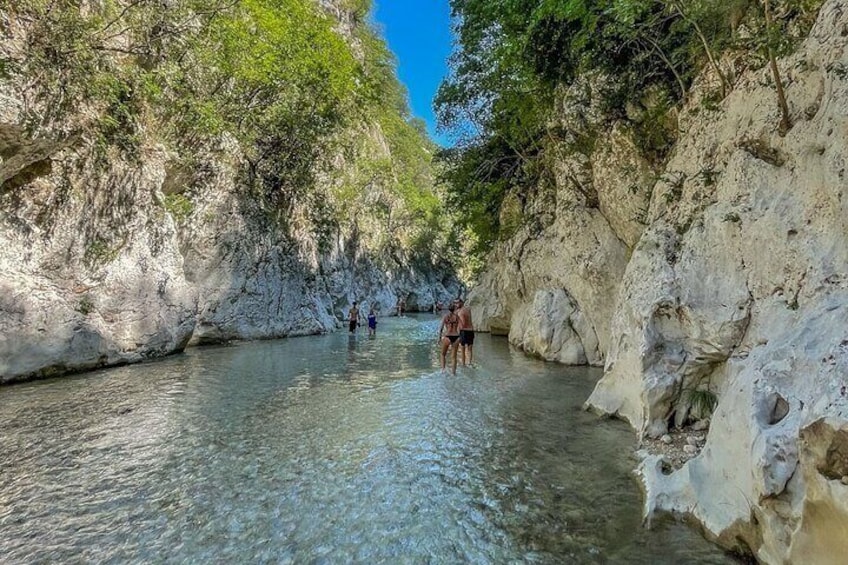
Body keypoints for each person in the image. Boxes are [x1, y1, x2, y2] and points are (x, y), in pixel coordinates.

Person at [438, 302, 461, 374]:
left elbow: (441, 328)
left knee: (442, 354)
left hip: (447, 336)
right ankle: (453, 373)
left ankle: (443, 370)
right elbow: (460, 328)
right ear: (454, 309)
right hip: (456, 337)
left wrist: (439, 338)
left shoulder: (445, 317)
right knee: (454, 357)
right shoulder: (457, 317)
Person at [456, 298, 475, 366]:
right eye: (455, 303)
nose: (456, 305)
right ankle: (469, 363)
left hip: (464, 332)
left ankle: (463, 364)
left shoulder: (460, 312)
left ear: (461, 303)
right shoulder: (468, 309)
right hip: (471, 331)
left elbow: (463, 324)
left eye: (457, 303)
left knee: (463, 349)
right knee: (470, 349)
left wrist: (458, 331)